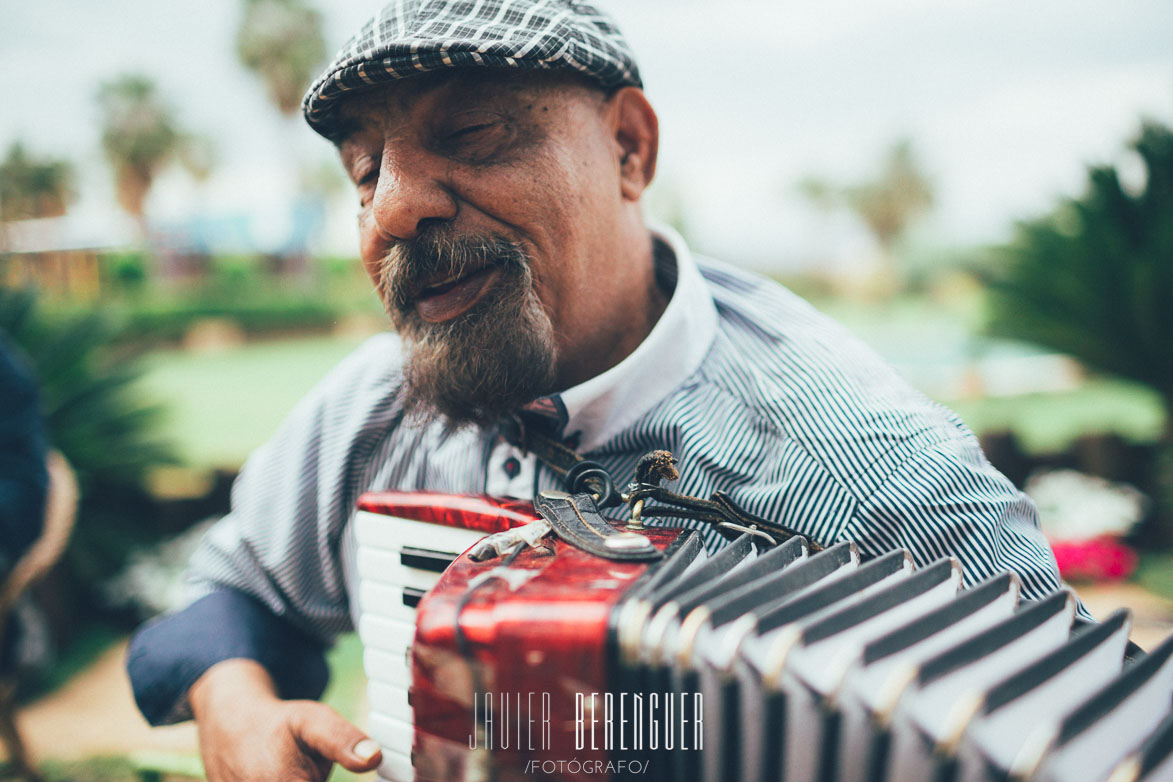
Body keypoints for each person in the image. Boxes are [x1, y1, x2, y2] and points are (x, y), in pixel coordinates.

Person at [127, 2, 1087, 779]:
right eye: (364, 171)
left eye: (469, 131)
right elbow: (233, 586)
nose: (393, 207)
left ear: (629, 148)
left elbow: (1066, 738)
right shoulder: (373, 408)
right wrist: (234, 701)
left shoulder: (880, 476)